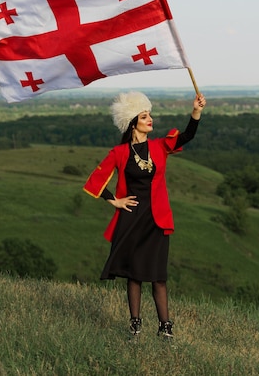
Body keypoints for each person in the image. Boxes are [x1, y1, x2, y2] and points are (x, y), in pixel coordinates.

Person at [83, 90, 206, 340]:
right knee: (135, 274)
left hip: (157, 218)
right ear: (133, 123)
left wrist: (196, 112)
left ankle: (165, 327)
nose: (150, 119)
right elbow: (95, 180)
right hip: (131, 219)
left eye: (149, 114)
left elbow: (187, 136)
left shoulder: (160, 146)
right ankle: (135, 325)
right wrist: (114, 201)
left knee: (158, 275)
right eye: (144, 116)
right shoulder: (119, 153)